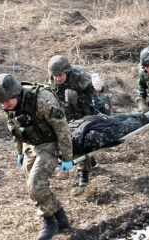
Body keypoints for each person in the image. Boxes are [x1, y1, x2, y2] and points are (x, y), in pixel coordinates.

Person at [0, 74, 74, 240]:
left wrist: (67, 156)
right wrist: (20, 152)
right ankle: (61, 218)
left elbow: (61, 127)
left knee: (36, 185)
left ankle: (49, 222)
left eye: (7, 100)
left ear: (16, 93)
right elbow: (14, 129)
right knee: (32, 187)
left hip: (50, 143)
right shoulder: (8, 105)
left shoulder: (42, 99)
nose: (5, 105)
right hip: (31, 145)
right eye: (2, 102)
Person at [48, 55, 110, 187]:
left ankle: (84, 172)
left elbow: (103, 87)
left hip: (85, 110)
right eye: (55, 76)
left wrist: (100, 87)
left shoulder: (80, 74)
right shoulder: (52, 79)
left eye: (61, 75)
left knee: (81, 138)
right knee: (72, 138)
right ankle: (89, 160)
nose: (58, 78)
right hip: (68, 112)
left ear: (67, 71)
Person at [68, 95, 149, 155]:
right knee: (131, 120)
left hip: (97, 126)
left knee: (131, 120)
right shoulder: (65, 132)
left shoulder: (64, 138)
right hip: (96, 126)